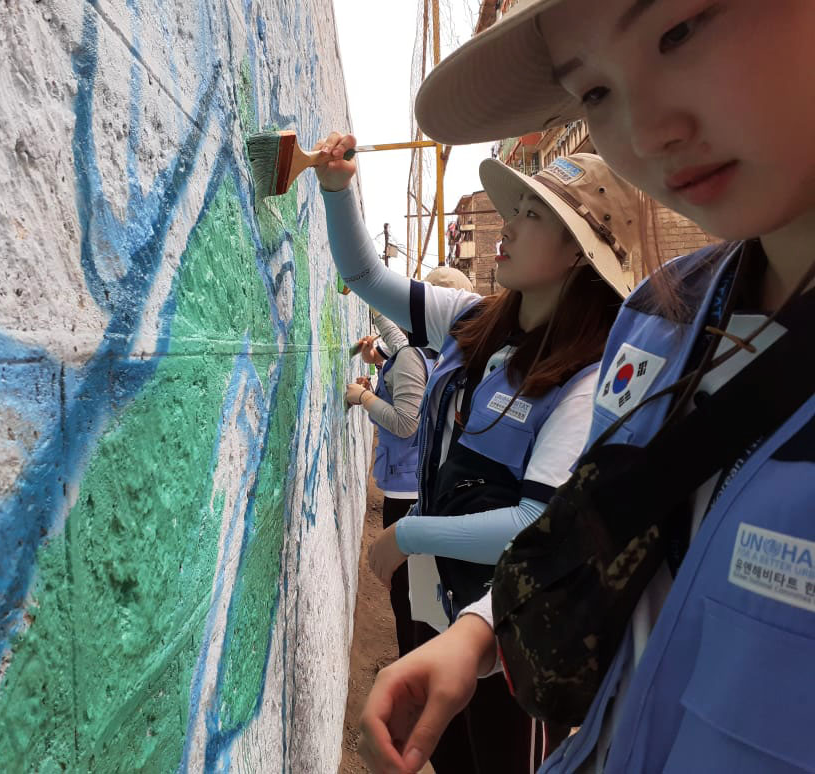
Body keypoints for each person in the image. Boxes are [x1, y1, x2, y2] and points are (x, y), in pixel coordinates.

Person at [356, 1, 815, 773]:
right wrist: (480, 631)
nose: (644, 130)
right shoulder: (659, 324)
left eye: (680, 31)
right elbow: (600, 535)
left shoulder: (590, 361)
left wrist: (412, 537)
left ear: (575, 254)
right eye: (594, 92)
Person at [318, 139, 643, 772]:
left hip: (509, 628)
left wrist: (409, 533)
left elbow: (533, 524)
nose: (508, 226)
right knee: (449, 755)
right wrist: (336, 188)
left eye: (534, 215)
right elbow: (364, 276)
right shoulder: (472, 319)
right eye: (517, 207)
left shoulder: (587, 379)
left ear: (579, 251)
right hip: (440, 598)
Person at [346, 269, 474, 658]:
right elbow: (402, 351)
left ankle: (411, 672)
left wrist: (363, 398)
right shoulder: (447, 351)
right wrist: (382, 361)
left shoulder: (411, 356)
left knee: (406, 597)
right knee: (424, 595)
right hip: (427, 484)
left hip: (407, 491)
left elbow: (406, 423)